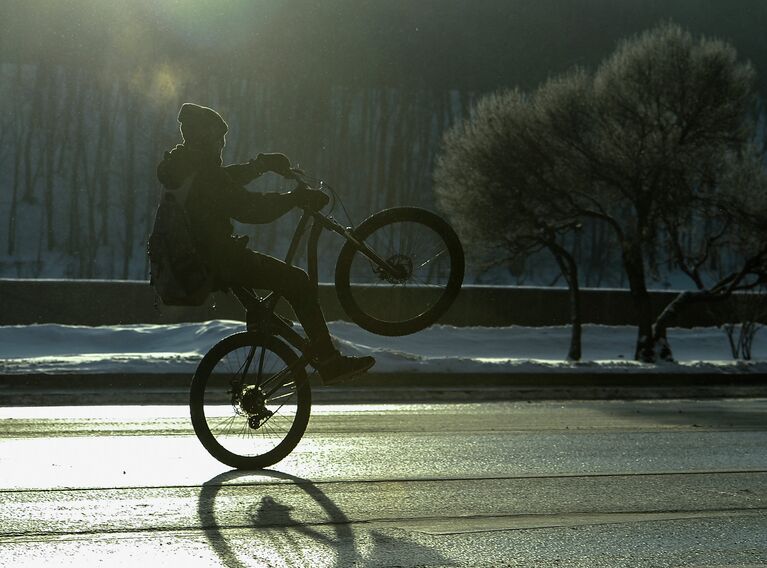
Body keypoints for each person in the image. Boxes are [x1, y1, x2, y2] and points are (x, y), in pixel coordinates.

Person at [156, 102, 375, 384]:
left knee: (269, 304)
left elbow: (227, 180)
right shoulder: (203, 173)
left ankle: (261, 320)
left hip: (196, 263)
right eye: (218, 139)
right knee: (297, 282)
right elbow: (250, 209)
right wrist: (295, 198)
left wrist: (262, 166)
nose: (222, 145)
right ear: (204, 137)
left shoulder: (186, 166)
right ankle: (330, 362)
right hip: (217, 260)